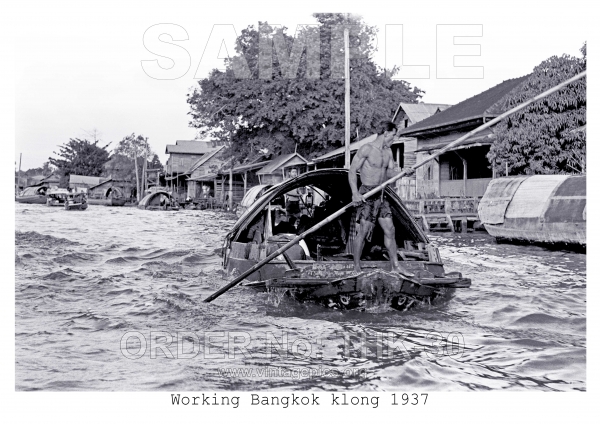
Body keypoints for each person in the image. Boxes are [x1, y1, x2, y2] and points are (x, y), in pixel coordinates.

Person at [348, 121, 413, 276]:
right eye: (393, 134)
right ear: (386, 132)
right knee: (363, 231)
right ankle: (356, 268)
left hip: (382, 195)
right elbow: (352, 171)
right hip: (367, 194)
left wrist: (403, 172)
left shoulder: (388, 152)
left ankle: (395, 266)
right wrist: (355, 193)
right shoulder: (367, 149)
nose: (394, 138)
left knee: (390, 230)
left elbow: (390, 173)